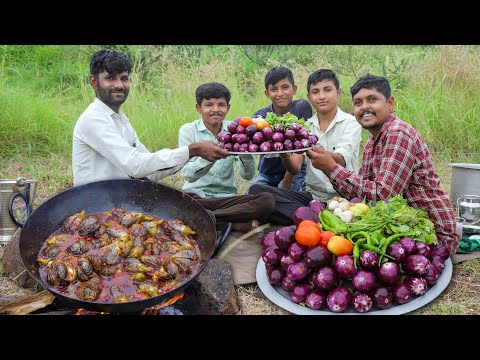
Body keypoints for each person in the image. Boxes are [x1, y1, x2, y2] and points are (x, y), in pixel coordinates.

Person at [305, 74, 460, 254]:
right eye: (358, 103)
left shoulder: (398, 133)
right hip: (399, 225)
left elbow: (383, 195)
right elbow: (362, 193)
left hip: (432, 234)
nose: (365, 107)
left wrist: (331, 167)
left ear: (390, 103)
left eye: (372, 100)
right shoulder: (373, 140)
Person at [72, 49, 228, 187]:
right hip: (97, 204)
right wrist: (192, 149)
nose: (119, 85)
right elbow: (136, 165)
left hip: (122, 198)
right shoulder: (93, 119)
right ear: (94, 82)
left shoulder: (120, 120)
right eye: (110, 78)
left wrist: (194, 153)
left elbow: (150, 172)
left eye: (124, 78)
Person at [248, 69, 362, 224]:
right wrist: (284, 152)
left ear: (338, 93)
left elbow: (341, 159)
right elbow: (295, 168)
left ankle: (312, 219)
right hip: (313, 198)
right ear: (309, 97)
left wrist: (314, 151)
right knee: (256, 191)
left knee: (287, 213)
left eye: (327, 90)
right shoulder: (305, 126)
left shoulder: (351, 122)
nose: (321, 96)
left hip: (344, 196)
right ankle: (316, 218)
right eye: (315, 92)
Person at [178, 82, 275, 232]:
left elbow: (248, 175)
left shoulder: (236, 131)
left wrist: (245, 148)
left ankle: (208, 218)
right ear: (199, 108)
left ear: (228, 108)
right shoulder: (188, 130)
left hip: (226, 200)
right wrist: (211, 153)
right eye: (209, 105)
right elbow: (188, 175)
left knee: (266, 201)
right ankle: (229, 223)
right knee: (180, 202)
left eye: (221, 105)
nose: (215, 110)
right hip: (196, 196)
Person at [250, 66, 313, 192]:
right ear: (267, 93)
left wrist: (287, 181)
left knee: (288, 202)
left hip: (294, 172)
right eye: (274, 89)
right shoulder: (260, 116)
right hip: (267, 172)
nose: (280, 93)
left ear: (294, 89)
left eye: (285, 87)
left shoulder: (302, 107)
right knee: (253, 196)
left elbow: (300, 149)